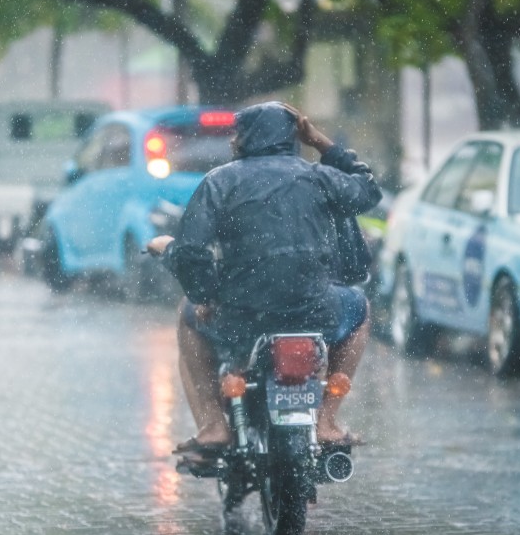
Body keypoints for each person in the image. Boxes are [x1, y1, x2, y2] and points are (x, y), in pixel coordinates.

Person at [146, 101, 382, 457]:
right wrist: (321, 142)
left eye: (236, 135)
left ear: (247, 139)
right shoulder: (320, 176)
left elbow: (192, 252)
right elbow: (368, 191)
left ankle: (212, 426)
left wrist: (203, 295)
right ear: (292, 137)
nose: (230, 143)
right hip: (316, 311)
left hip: (240, 316)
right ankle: (327, 420)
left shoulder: (219, 181)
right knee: (360, 310)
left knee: (187, 316)